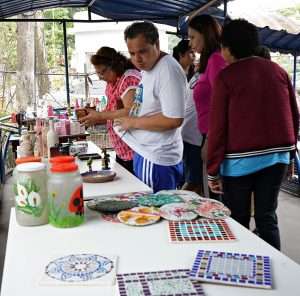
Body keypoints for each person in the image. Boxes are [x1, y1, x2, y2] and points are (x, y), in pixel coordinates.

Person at [207, 19, 299, 250]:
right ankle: (274, 270)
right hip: (276, 158)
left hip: (239, 162)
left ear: (227, 48)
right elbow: (293, 113)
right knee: (267, 216)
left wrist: (212, 170)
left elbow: (218, 126)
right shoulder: (277, 71)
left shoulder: (226, 77)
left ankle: (241, 271)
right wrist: (290, 153)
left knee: (237, 219)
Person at [114, 22, 187, 193]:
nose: (137, 59)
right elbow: (141, 106)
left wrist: (132, 123)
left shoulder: (167, 70)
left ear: (157, 44)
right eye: (132, 53)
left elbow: (174, 119)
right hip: (148, 153)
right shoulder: (149, 68)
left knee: (153, 213)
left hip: (156, 157)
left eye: (142, 51)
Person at [79, 47, 141, 173]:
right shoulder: (111, 83)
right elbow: (110, 113)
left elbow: (132, 111)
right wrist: (94, 119)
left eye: (102, 72)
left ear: (114, 65)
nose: (101, 77)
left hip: (134, 150)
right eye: (98, 74)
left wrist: (100, 116)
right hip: (122, 150)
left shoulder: (128, 79)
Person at [188, 14, 226, 198]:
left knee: (215, 197)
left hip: (215, 137)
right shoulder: (209, 60)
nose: (190, 43)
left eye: (193, 37)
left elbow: (222, 102)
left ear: (206, 34)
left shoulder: (216, 60)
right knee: (212, 194)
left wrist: (210, 140)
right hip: (208, 135)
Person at [172, 40, 203, 195]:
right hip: (189, 133)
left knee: (192, 179)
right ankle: (178, 204)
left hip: (189, 133)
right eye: (190, 52)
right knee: (193, 181)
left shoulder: (193, 75)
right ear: (181, 55)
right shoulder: (177, 74)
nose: (194, 55)